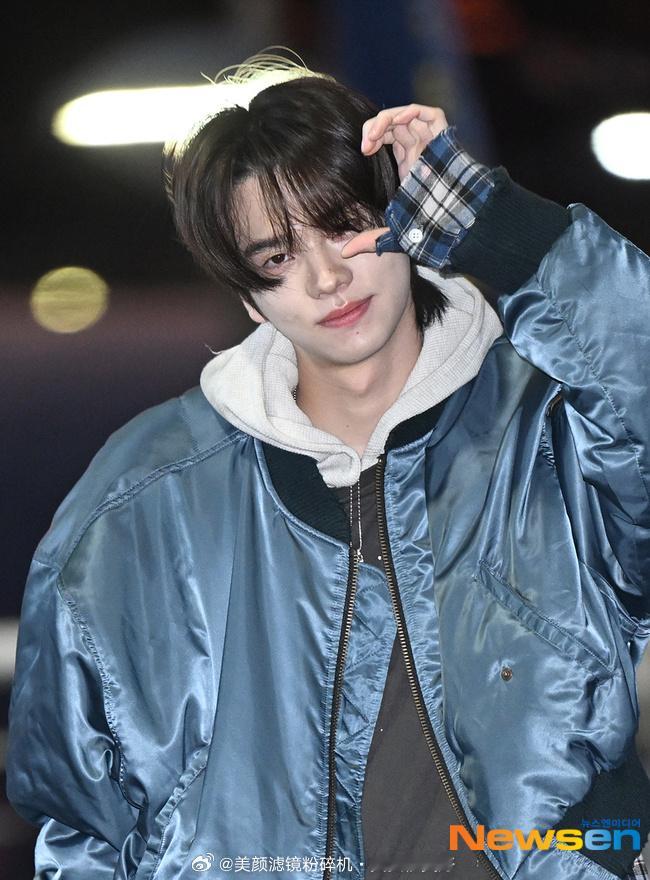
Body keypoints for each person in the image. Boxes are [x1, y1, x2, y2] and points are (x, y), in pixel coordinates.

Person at [6, 54, 650, 880]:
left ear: (406, 217)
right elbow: (82, 820)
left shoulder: (552, 432)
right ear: (248, 295)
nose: (326, 277)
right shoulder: (142, 498)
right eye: (276, 257)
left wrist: (493, 223)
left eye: (345, 223)